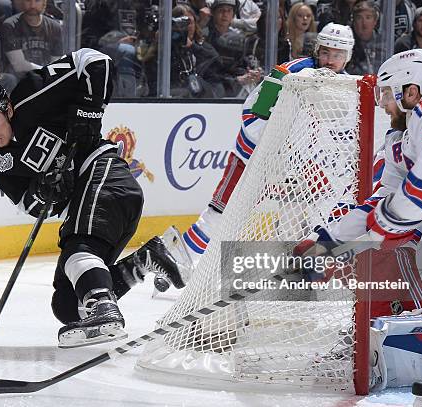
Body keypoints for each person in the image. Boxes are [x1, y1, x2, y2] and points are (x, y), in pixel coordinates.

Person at [0, 48, 185, 348]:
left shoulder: (31, 95)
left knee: (76, 250)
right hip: (90, 202)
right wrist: (43, 192)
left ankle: (105, 309)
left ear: (7, 108)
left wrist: (88, 114)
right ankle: (143, 261)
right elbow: (29, 205)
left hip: (105, 175)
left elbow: (95, 61)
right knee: (67, 305)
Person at [297, 48, 422, 404]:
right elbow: (382, 200)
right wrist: (324, 242)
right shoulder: (402, 138)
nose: (381, 105)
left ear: (412, 91)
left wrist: (388, 226)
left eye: (387, 94)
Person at [148, 24, 355, 288]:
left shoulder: (348, 86)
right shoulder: (287, 73)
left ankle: (304, 271)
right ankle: (177, 261)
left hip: (302, 165)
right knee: (220, 213)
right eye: (326, 53)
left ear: (347, 56)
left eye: (337, 55)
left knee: (316, 215)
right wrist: (273, 149)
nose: (330, 61)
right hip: (254, 158)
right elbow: (252, 114)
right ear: (317, 50)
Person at [0, 0, 63, 80]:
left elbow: (56, 62)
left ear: (44, 3)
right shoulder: (10, 25)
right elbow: (19, 65)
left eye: (37, 1)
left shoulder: (55, 27)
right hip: (18, 81)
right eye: (28, 0)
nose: (32, 5)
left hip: (45, 80)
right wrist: (45, 71)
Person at [346, 0, 385, 75]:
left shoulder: (383, 43)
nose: (364, 23)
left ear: (375, 21)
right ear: (353, 21)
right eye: (359, 18)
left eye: (368, 17)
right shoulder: (347, 43)